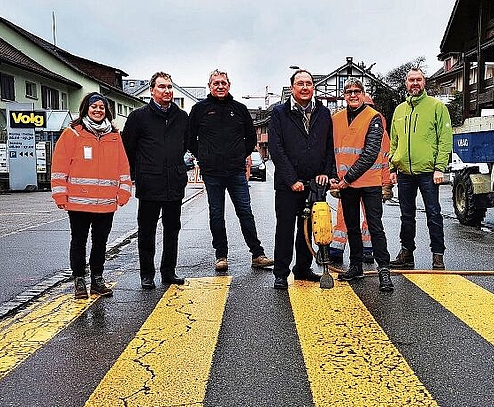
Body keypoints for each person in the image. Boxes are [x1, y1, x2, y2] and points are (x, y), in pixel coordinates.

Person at [188, 70, 273, 272]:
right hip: (212, 172)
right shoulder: (200, 109)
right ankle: (221, 256)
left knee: (245, 212)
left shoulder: (240, 109)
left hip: (235, 171)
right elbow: (190, 138)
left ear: (229, 85)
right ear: (209, 86)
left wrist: (239, 156)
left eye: (223, 83)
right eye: (216, 83)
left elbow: (251, 137)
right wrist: (204, 156)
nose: (220, 86)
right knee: (216, 214)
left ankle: (257, 254)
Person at [51, 92, 132, 299]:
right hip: (78, 202)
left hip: (105, 203)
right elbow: (59, 166)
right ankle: (79, 281)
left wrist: (124, 190)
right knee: (78, 241)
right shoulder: (72, 133)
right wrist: (60, 194)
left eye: (101, 107)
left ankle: (97, 279)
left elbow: (123, 166)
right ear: (86, 108)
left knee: (100, 242)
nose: (98, 110)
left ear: (107, 111)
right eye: (94, 106)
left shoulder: (114, 135)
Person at [269, 69, 337, 290]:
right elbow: (276, 149)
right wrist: (291, 179)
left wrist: (326, 173)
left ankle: (302, 269)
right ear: (292, 88)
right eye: (300, 83)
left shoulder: (323, 113)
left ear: (313, 87)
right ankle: (281, 273)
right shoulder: (280, 113)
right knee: (286, 228)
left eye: (309, 83)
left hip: (315, 183)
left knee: (309, 227)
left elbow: (329, 146)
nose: (305, 87)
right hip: (289, 184)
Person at [122, 72, 189, 290]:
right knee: (147, 230)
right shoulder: (138, 117)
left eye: (170, 87)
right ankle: (147, 274)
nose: (167, 91)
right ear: (152, 91)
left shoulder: (182, 117)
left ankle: (168, 271)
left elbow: (187, 145)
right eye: (162, 87)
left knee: (172, 230)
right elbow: (128, 150)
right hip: (150, 183)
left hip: (174, 183)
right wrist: (137, 174)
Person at [332, 79, 393, 292]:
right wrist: (333, 176)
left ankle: (384, 270)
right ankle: (356, 265)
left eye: (356, 91)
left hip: (368, 183)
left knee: (375, 226)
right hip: (346, 185)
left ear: (362, 93)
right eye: (348, 92)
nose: (353, 95)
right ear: (344, 95)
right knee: (352, 226)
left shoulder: (374, 118)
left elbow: (370, 153)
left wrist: (346, 179)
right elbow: (331, 151)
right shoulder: (336, 119)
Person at [389, 68, 452, 270]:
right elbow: (394, 141)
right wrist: (392, 167)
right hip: (404, 173)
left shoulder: (436, 107)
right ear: (405, 83)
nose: (414, 83)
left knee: (433, 213)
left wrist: (440, 167)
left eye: (418, 79)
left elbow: (445, 139)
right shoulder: (399, 111)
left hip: (428, 172)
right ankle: (406, 253)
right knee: (406, 215)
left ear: (424, 82)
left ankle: (438, 255)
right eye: (411, 80)